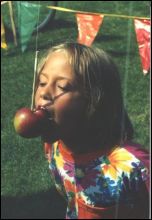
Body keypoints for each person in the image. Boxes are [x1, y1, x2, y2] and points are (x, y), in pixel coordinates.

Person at [34, 42, 149, 219]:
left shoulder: (133, 166)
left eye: (63, 87)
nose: (44, 93)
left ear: (95, 102)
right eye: (42, 82)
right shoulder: (53, 147)